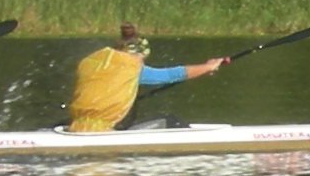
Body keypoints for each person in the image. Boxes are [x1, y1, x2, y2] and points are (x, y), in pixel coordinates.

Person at [65, 25, 228, 132]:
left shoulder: (91, 63)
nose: (142, 63)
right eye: (142, 59)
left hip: (77, 127)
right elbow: (172, 75)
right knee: (170, 121)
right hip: (101, 132)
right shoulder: (130, 67)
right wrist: (208, 67)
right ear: (137, 54)